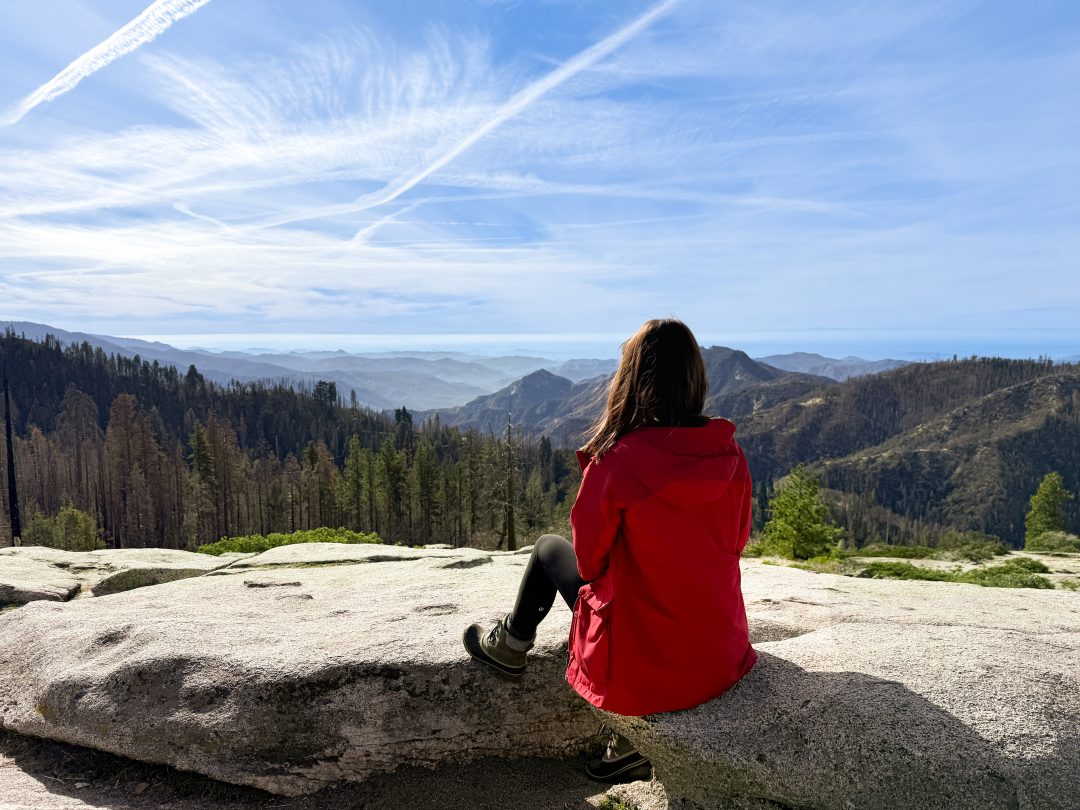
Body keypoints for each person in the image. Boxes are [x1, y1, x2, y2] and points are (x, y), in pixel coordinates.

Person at [462, 318, 756, 783]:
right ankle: (627, 745)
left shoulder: (616, 462)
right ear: (694, 378)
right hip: (719, 655)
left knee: (547, 549)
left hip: (644, 665)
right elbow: (736, 543)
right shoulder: (730, 456)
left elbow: (592, 562)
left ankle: (511, 645)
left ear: (630, 380)